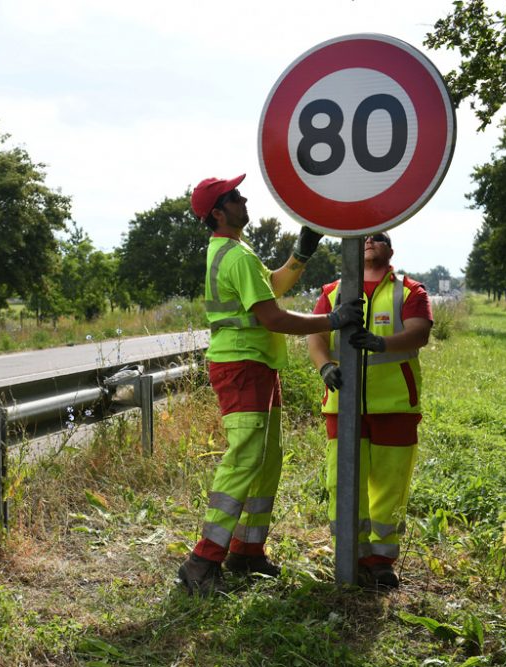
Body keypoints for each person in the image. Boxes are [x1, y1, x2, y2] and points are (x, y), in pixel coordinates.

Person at [177, 173, 364, 595]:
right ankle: (202, 562)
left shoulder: (235, 251)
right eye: (234, 196)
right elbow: (273, 317)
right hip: (241, 366)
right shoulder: (235, 256)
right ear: (219, 213)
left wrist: (300, 254)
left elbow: (272, 288)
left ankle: (247, 551)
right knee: (246, 459)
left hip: (257, 365)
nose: (244, 198)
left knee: (268, 459)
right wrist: (333, 320)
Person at [306, 231, 432, 590]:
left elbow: (419, 333)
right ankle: (350, 556)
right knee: (343, 483)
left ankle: (380, 562)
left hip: (395, 407)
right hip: (341, 407)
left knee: (390, 487)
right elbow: (315, 338)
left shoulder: (410, 291)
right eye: (365, 238)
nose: (370, 241)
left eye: (379, 238)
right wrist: (324, 367)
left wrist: (379, 343)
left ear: (391, 250)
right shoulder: (332, 293)